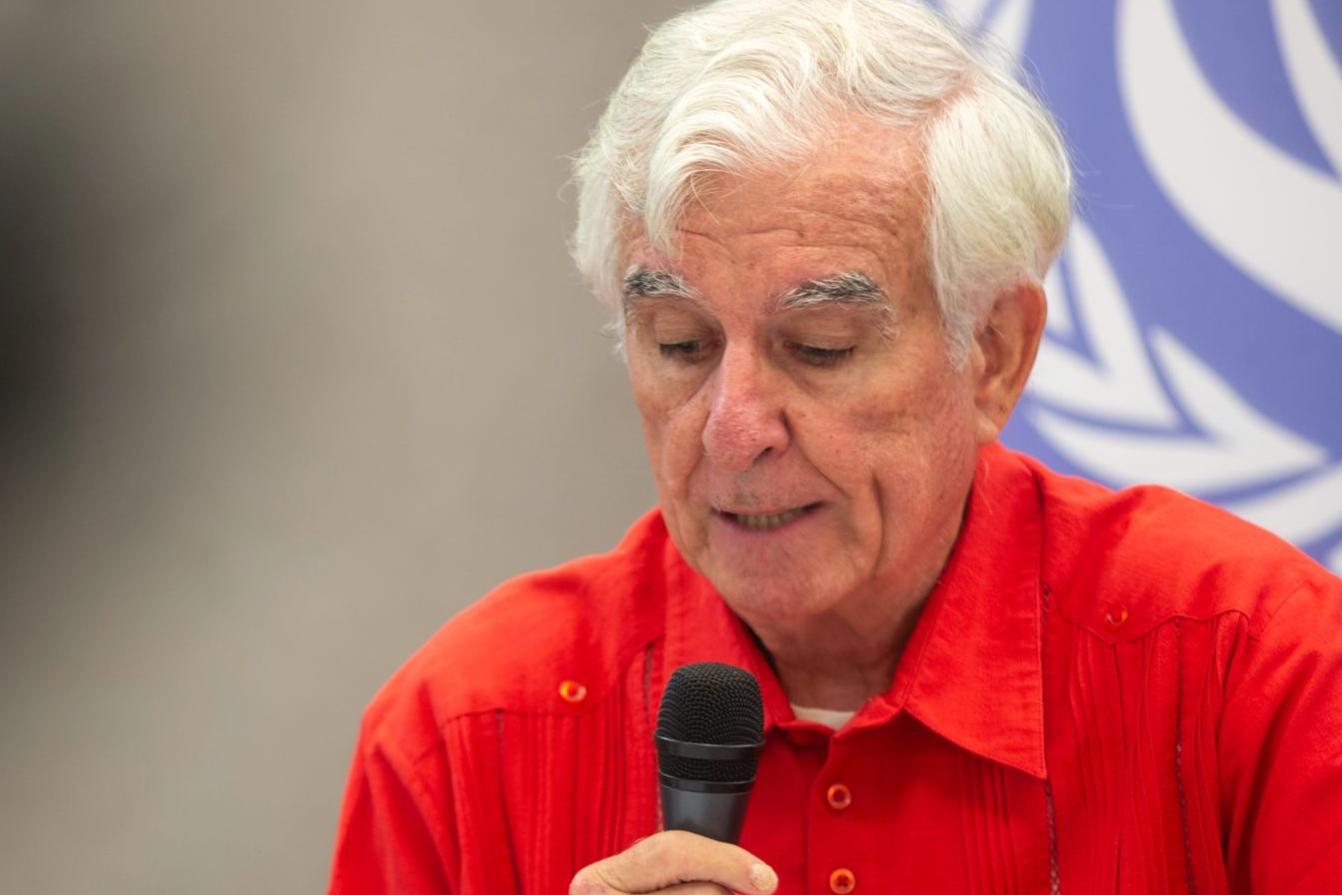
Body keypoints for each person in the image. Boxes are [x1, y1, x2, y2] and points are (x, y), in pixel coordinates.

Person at [328, 1, 1342, 892]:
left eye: (819, 347)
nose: (733, 430)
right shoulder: (464, 735)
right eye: (679, 344)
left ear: (993, 353)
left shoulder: (1259, 670)